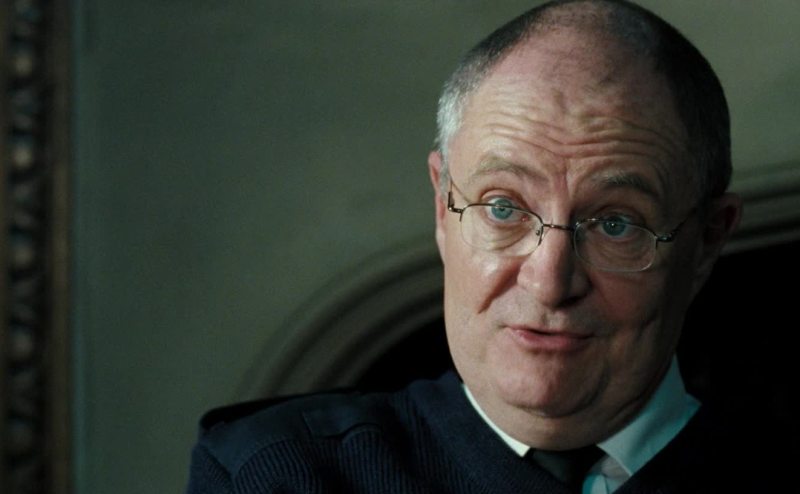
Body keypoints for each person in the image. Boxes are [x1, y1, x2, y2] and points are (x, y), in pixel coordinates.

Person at [185, 1, 785, 492]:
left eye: (615, 224)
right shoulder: (276, 472)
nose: (550, 282)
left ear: (708, 240)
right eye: (503, 209)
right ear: (441, 207)